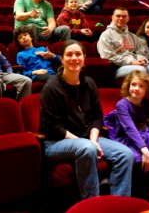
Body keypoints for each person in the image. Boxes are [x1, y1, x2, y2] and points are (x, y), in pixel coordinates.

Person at [40, 40, 134, 198]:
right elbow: (53, 126)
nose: (74, 58)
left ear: (84, 58)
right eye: (69, 54)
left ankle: (119, 204)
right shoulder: (51, 87)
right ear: (61, 59)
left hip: (86, 139)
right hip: (55, 142)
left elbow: (97, 116)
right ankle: (92, 205)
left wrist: (93, 139)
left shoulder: (89, 83)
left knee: (125, 154)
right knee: (86, 148)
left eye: (78, 54)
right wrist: (86, 143)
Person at [97, 7, 148, 79]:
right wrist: (131, 62)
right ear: (112, 17)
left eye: (124, 16)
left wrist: (142, 60)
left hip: (136, 64)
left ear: (128, 19)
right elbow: (107, 57)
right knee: (141, 70)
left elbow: (140, 51)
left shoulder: (133, 36)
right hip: (117, 67)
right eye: (118, 16)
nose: (121, 18)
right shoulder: (106, 35)